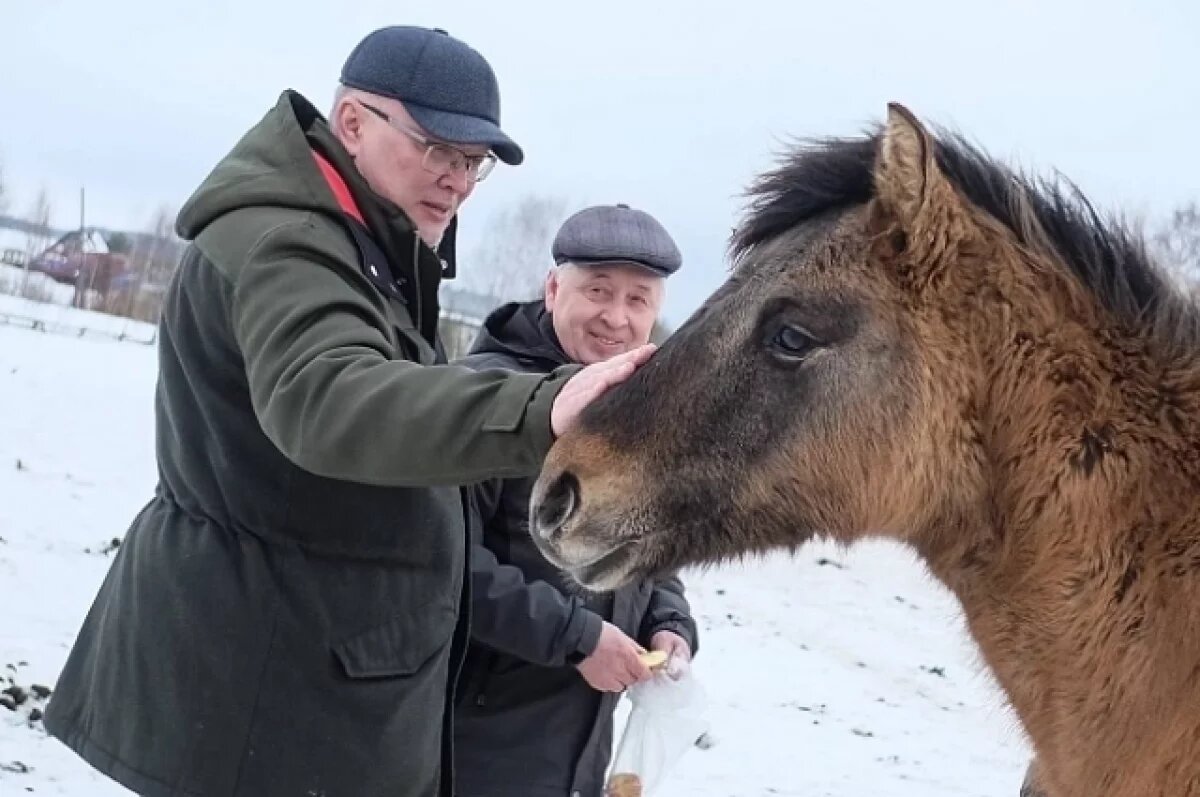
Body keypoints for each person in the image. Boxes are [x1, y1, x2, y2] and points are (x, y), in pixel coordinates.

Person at [43, 26, 653, 797]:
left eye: (473, 162)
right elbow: (331, 398)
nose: (457, 180)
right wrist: (544, 408)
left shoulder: (364, 246)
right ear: (354, 122)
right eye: (436, 148)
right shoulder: (287, 242)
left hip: (311, 684)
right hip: (263, 695)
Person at [453, 204, 699, 797]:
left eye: (638, 300)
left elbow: (648, 554)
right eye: (598, 290)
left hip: (579, 746)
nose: (616, 317)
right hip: (473, 740)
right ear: (554, 288)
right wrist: (575, 638)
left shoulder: (637, 412)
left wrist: (670, 623)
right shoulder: (485, 399)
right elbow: (443, 566)